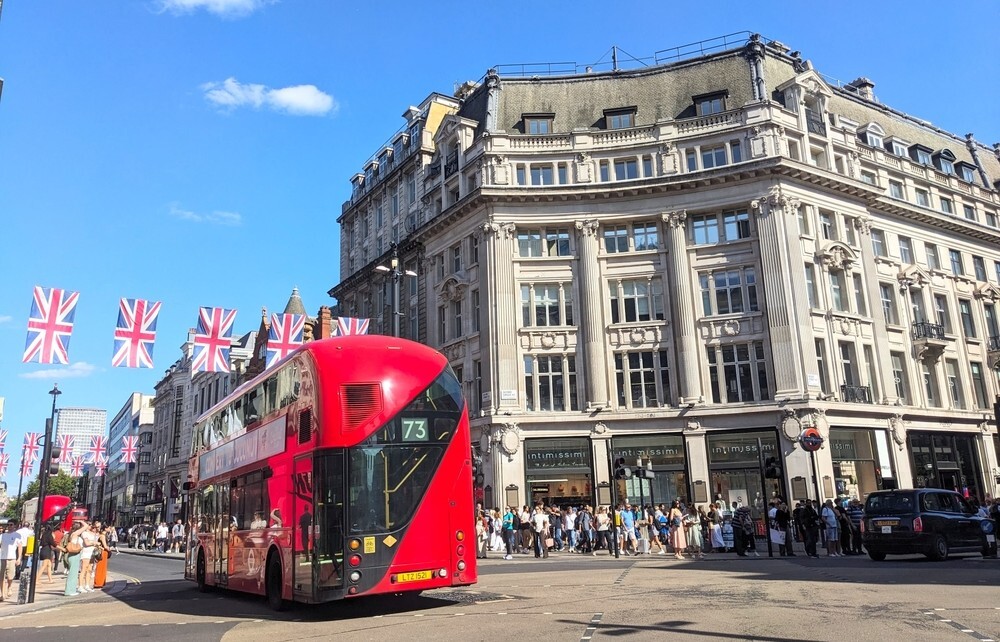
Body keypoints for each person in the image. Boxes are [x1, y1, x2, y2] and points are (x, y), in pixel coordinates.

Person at [0, 522, 23, 601]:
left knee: (10, 576)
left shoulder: (17, 536)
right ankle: (2, 594)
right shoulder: (2, 535)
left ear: (14, 526)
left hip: (12, 558)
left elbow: (20, 547)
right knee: (1, 577)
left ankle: (9, 586)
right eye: (8, 525)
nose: (9, 526)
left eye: (11, 525)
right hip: (2, 558)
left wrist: (19, 558)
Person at [63, 520, 87, 597]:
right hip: (74, 555)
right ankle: (69, 591)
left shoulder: (72, 534)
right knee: (73, 573)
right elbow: (86, 526)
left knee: (73, 573)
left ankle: (71, 590)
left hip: (73, 555)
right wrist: (81, 521)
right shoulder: (75, 534)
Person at [93, 520, 111, 589]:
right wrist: (109, 549)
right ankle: (98, 582)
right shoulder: (103, 535)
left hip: (104, 552)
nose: (110, 529)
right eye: (109, 528)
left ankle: (101, 581)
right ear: (106, 528)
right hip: (103, 552)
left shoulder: (103, 535)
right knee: (101, 568)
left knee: (103, 568)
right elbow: (105, 546)